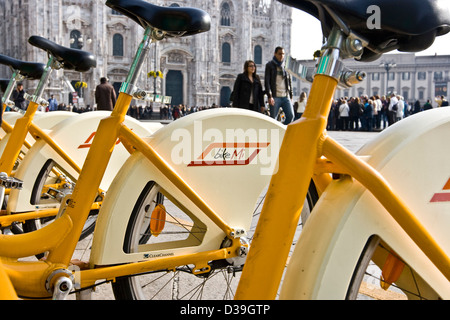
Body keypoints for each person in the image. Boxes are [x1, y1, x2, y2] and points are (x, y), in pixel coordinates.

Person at [264, 47, 294, 124]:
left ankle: (283, 131)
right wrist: (270, 96)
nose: (281, 56)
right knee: (273, 119)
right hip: (275, 96)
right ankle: (273, 135)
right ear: (275, 54)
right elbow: (267, 81)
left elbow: (289, 81)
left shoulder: (286, 66)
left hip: (285, 96)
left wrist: (291, 95)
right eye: (279, 54)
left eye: (283, 54)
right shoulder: (269, 65)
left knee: (291, 116)